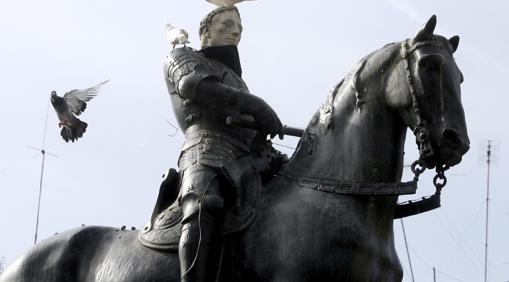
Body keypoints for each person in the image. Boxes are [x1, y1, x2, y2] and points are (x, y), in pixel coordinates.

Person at [163, 5, 283, 282]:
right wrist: (255, 105)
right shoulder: (182, 56)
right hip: (206, 148)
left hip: (247, 156)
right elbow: (192, 85)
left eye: (238, 29)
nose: (235, 32)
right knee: (202, 203)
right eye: (227, 24)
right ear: (205, 30)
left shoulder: (237, 80)